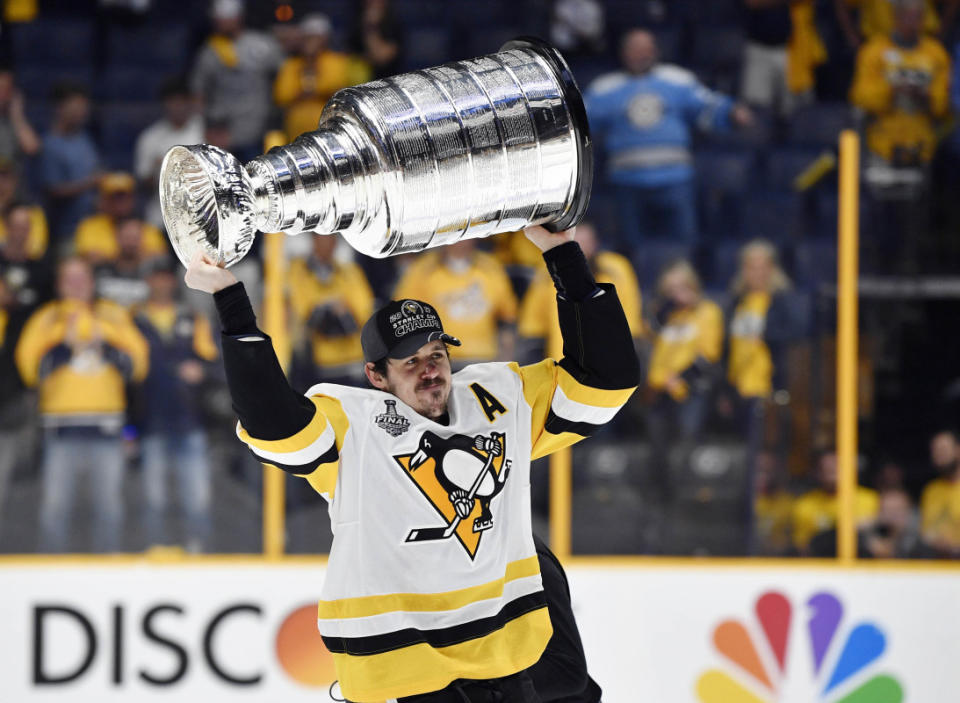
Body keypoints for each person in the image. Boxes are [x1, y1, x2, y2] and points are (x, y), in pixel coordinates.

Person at [183, 225, 639, 702]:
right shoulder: (354, 428)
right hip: (413, 673)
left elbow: (607, 380)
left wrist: (564, 255)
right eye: (410, 361)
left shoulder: (498, 400)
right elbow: (271, 421)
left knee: (545, 580)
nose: (430, 369)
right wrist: (232, 302)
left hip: (508, 665)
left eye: (437, 354)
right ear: (375, 376)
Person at [15, 257, 148, 552]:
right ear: (59, 284)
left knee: (109, 509)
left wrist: (106, 349)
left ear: (91, 281)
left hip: (108, 429)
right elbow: (29, 370)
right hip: (60, 432)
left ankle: (108, 574)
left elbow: (138, 365)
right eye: (69, 278)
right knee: (55, 509)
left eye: (81, 277)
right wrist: (65, 348)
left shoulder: (112, 315)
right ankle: (52, 575)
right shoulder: (46, 318)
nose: (76, 284)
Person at [586, 29, 753, 248]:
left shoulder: (677, 80)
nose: (640, 54)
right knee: (632, 248)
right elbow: (580, 119)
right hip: (627, 181)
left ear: (655, 51)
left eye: (645, 49)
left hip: (675, 179)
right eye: (635, 49)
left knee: (684, 246)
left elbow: (706, 104)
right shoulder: (605, 88)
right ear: (624, 53)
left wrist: (731, 112)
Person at [850, 0, 951, 269]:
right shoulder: (875, 51)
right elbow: (860, 96)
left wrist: (925, 94)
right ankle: (878, 275)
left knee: (918, 224)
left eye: (918, 17)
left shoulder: (935, 53)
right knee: (883, 220)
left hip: (922, 147)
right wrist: (892, 90)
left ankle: (912, 285)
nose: (912, 23)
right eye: (907, 17)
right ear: (896, 18)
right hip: (883, 147)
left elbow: (943, 104)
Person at [133, 257, 218, 552]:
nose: (161, 283)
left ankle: (198, 552)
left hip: (188, 418)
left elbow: (213, 363)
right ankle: (152, 550)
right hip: (150, 419)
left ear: (173, 281)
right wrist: (129, 429)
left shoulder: (191, 318)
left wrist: (201, 370)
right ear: (147, 282)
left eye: (166, 277)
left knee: (197, 497)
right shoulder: (134, 319)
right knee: (153, 498)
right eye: (155, 277)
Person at [646, 260, 723, 487]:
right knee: (657, 448)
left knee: (685, 444)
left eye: (682, 288)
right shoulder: (665, 318)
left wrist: (680, 378)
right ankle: (660, 494)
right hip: (662, 391)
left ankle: (686, 496)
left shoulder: (707, 312)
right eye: (671, 290)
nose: (677, 294)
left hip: (691, 388)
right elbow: (652, 347)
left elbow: (709, 354)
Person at [519, 221, 643, 362]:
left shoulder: (616, 268)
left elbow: (630, 317)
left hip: (608, 364)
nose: (580, 248)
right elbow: (532, 324)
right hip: (562, 363)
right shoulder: (548, 272)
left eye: (585, 242)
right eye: (575, 242)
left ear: (595, 243)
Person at [394, 238, 519, 367]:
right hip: (437, 360)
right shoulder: (422, 270)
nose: (461, 242)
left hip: (483, 358)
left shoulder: (491, 267)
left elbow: (507, 318)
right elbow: (406, 317)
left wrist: (505, 362)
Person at [191, 0, 283, 161]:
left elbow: (283, 75)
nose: (223, 23)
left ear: (239, 17)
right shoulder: (210, 51)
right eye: (219, 19)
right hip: (222, 132)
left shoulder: (261, 44)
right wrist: (204, 127)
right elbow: (199, 92)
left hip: (259, 126)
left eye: (227, 18)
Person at [287, 234, 374, 388]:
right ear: (313, 241)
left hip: (352, 361)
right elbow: (304, 316)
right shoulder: (299, 272)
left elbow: (362, 315)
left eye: (330, 239)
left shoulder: (350, 273)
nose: (326, 244)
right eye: (321, 238)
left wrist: (340, 313)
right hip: (318, 363)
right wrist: (328, 309)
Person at [273, 13, 358, 142]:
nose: (311, 42)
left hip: (329, 131)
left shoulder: (338, 61)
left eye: (315, 37)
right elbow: (282, 96)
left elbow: (336, 89)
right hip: (296, 134)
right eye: (307, 38)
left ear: (325, 38)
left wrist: (309, 89)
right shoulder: (291, 65)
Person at [134, 77, 205, 228]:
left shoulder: (205, 131)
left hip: (200, 217)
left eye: (182, 101)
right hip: (161, 217)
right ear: (164, 104)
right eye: (172, 101)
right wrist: (159, 168)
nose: (177, 106)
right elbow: (143, 182)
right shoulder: (150, 137)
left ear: (190, 102)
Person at [39, 82, 101, 244]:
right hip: (66, 230)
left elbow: (95, 171)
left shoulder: (85, 139)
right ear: (60, 108)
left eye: (83, 107)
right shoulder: (50, 145)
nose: (81, 112)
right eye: (75, 107)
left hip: (92, 227)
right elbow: (53, 190)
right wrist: (89, 183)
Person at [792, 449, 879, 554]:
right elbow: (802, 546)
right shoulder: (804, 504)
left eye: (836, 466)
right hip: (820, 565)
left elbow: (877, 541)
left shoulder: (869, 499)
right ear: (817, 472)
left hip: (860, 564)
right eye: (826, 468)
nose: (832, 471)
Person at [73, 172, 168, 264]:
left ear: (133, 199)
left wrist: (111, 257)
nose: (120, 203)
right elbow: (89, 258)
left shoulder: (149, 229)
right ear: (103, 200)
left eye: (124, 196)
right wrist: (131, 256)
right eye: (114, 197)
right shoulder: (89, 227)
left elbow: (158, 258)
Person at [835, 0, 959, 49]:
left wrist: (942, 31)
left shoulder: (935, 53)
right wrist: (851, 36)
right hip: (876, 46)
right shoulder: (870, 54)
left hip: (924, 46)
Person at [92, 217, 157, 309]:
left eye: (135, 238)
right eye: (127, 237)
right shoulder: (100, 270)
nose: (130, 243)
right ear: (117, 238)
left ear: (142, 240)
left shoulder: (152, 274)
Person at [919, 432, 960, 556]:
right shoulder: (931, 490)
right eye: (935, 451)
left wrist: (954, 546)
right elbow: (925, 531)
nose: (939, 455)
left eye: (943, 449)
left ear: (958, 450)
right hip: (934, 562)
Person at [0, 160, 48, 261]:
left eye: (5, 178)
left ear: (15, 181)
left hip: (27, 267)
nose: (1, 184)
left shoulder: (31, 211)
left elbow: (36, 249)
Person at [349, 0, 403, 81]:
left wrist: (372, 27)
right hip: (360, 84)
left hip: (388, 82)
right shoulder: (355, 25)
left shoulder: (394, 25)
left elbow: (381, 59)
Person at [0, 65, 40, 163]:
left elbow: (32, 148)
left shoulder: (14, 121)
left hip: (11, 176)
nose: (3, 95)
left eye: (7, 89)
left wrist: (17, 116)